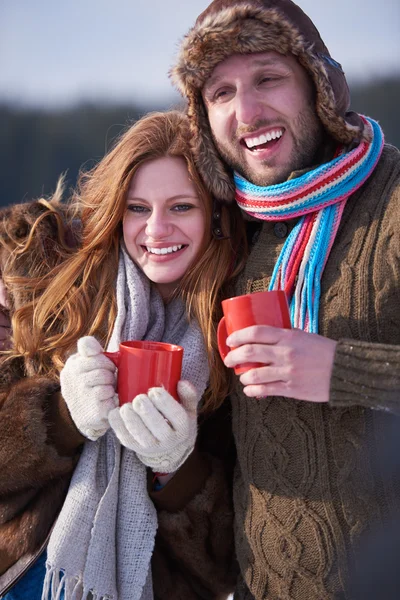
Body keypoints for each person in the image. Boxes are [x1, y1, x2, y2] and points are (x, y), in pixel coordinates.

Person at [149, 1, 400, 598]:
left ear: (318, 86)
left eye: (267, 78)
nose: (247, 111)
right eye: (221, 93)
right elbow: (111, 243)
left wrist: (344, 371)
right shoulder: (227, 231)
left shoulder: (394, 203)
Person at [0, 110, 245, 599]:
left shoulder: (234, 334)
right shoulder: (52, 283)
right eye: (137, 208)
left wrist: (177, 468)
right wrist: (61, 416)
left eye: (180, 207)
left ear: (215, 214)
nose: (156, 229)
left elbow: (224, 565)